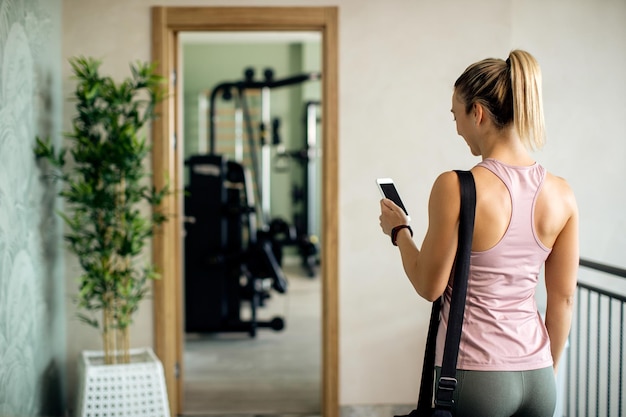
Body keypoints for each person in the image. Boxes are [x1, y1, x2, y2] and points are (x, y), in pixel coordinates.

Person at [378, 49, 578, 417]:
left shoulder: (456, 186)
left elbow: (428, 285)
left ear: (478, 113)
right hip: (538, 375)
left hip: (477, 375)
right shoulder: (562, 193)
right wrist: (546, 370)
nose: (456, 127)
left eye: (456, 115)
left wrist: (400, 232)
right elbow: (563, 300)